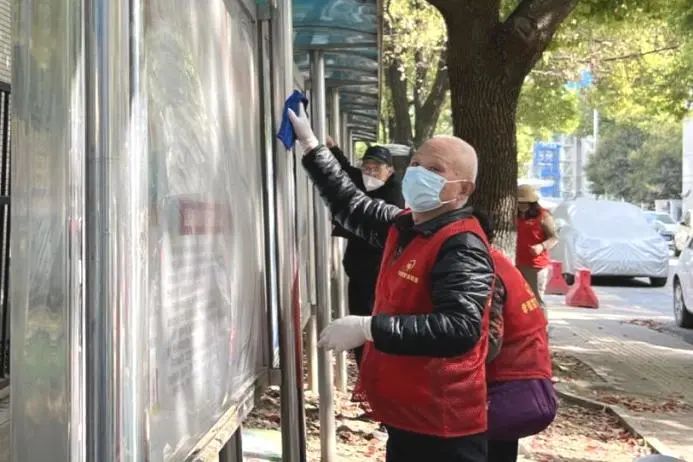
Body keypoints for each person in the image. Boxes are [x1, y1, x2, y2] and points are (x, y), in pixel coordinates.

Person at [288, 105, 494, 462]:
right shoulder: (406, 225)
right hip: (408, 414)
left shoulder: (461, 244)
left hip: (442, 426)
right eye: (415, 164)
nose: (419, 174)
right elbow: (351, 205)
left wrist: (369, 328)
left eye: (434, 170)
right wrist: (311, 146)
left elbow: (460, 328)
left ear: (463, 189)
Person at [474, 209, 556, 462]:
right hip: (523, 378)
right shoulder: (499, 261)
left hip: (507, 384)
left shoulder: (486, 272)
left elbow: (489, 345)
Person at [326, 137, 404, 368]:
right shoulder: (362, 182)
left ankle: (378, 367)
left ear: (389, 170)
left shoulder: (394, 195)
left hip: (379, 273)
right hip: (357, 270)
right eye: (366, 167)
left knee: (372, 322)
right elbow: (345, 170)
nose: (370, 173)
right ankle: (364, 367)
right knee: (358, 318)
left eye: (376, 169)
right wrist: (332, 148)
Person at [515, 184, 558, 310]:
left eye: (525, 202)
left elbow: (554, 238)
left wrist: (541, 246)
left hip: (536, 266)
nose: (521, 205)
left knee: (536, 301)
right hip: (516, 263)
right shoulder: (514, 214)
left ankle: (541, 322)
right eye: (519, 202)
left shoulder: (544, 216)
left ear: (532, 202)